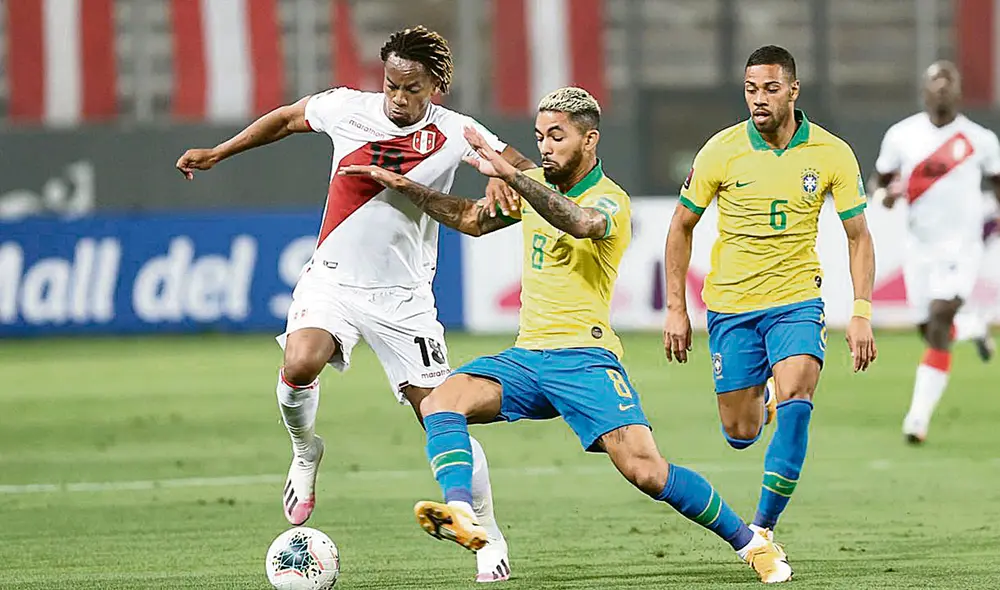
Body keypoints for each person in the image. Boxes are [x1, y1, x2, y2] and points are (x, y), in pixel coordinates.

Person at [342, 86, 793, 584]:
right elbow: (471, 219)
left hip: (585, 359)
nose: (545, 147)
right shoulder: (532, 185)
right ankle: (461, 514)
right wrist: (402, 185)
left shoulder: (610, 199)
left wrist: (513, 175)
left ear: (589, 140)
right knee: (440, 402)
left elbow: (579, 222)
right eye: (539, 137)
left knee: (647, 470)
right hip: (528, 357)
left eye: (557, 136)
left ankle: (753, 544)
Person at [174, 26, 533, 582]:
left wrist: (502, 183)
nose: (397, 97)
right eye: (391, 83)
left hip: (404, 299)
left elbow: (523, 169)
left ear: (435, 86)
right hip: (333, 281)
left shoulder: (458, 132)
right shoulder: (347, 108)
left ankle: (486, 534)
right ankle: (305, 451)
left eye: (411, 88)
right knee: (301, 361)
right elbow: (288, 118)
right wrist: (221, 152)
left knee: (442, 412)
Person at [663, 46, 877, 566]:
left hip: (797, 301)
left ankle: (761, 529)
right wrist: (676, 307)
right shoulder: (721, 150)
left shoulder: (831, 154)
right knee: (740, 433)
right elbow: (680, 228)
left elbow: (858, 236)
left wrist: (861, 309)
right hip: (732, 307)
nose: (759, 99)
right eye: (751, 89)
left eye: (770, 89)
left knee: (799, 400)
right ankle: (768, 399)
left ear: (793, 90)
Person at [872, 60, 1000, 444]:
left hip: (961, 247)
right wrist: (887, 196)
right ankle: (975, 327)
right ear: (923, 90)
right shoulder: (901, 136)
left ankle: (917, 418)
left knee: (941, 319)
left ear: (959, 91)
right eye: (935, 81)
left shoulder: (981, 139)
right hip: (919, 247)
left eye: (949, 81)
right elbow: (879, 185)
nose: (942, 87)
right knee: (929, 328)